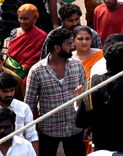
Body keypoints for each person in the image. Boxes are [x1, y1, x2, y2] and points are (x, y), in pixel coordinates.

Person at [25, 27, 86, 155]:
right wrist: (29, 134)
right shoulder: (37, 71)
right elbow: (29, 105)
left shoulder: (77, 65)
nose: (72, 47)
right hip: (48, 130)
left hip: (74, 128)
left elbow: (85, 95)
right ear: (57, 48)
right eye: (69, 44)